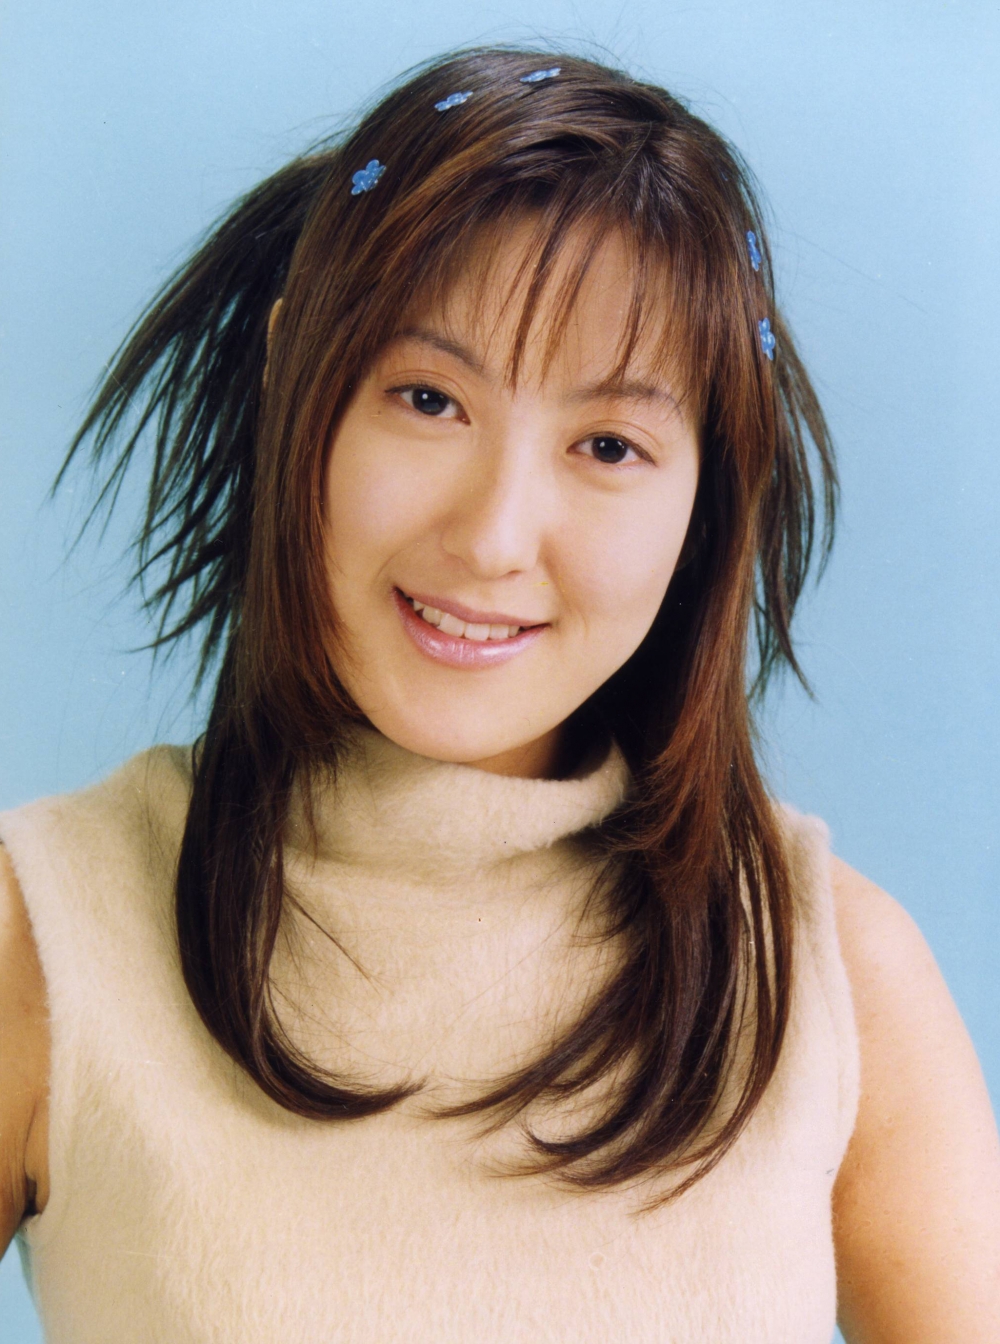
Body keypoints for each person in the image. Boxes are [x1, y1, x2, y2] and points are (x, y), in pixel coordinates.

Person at [0, 46, 997, 1343]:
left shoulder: (831, 976)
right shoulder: (48, 935)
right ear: (294, 377)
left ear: (706, 498)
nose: (492, 536)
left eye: (608, 445)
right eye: (429, 399)